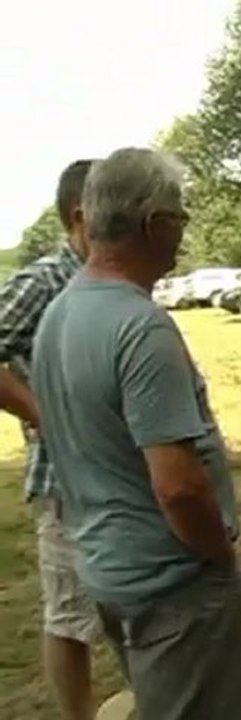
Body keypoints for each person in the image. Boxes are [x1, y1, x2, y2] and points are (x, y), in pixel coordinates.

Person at [31, 148, 241, 720]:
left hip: (109, 568)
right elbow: (179, 487)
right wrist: (219, 558)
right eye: (180, 217)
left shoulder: (59, 314)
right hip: (174, 584)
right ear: (155, 224)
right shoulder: (140, 327)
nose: (184, 232)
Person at [0, 160, 96, 720]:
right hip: (65, 479)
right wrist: (44, 415)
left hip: (118, 472)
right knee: (68, 613)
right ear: (82, 215)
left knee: (141, 601)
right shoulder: (42, 281)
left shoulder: (107, 275)